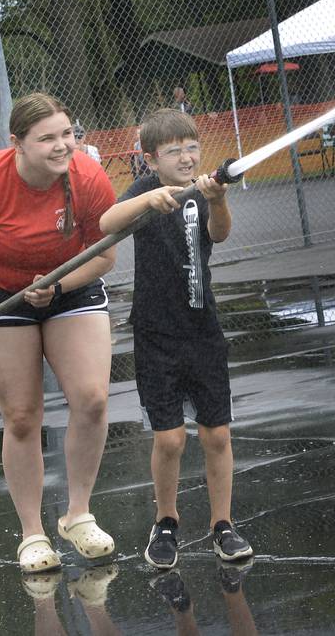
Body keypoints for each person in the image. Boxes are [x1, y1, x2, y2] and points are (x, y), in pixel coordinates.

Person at [0, 92, 118, 573]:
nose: (62, 146)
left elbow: (106, 255)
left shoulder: (88, 177)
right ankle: (32, 533)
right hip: (1, 293)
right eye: (47, 138)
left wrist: (57, 284)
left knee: (92, 398)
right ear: (17, 144)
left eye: (67, 134)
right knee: (21, 415)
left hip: (69, 286)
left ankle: (78, 515)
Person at [99, 108, 253, 570]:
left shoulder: (205, 189)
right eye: (174, 151)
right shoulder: (146, 191)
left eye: (192, 148)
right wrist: (149, 202)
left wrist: (220, 200)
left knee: (217, 434)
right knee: (169, 440)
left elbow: (218, 235)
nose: (186, 158)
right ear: (150, 158)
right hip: (156, 333)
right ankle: (165, 521)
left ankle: (222, 525)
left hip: (202, 330)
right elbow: (107, 222)